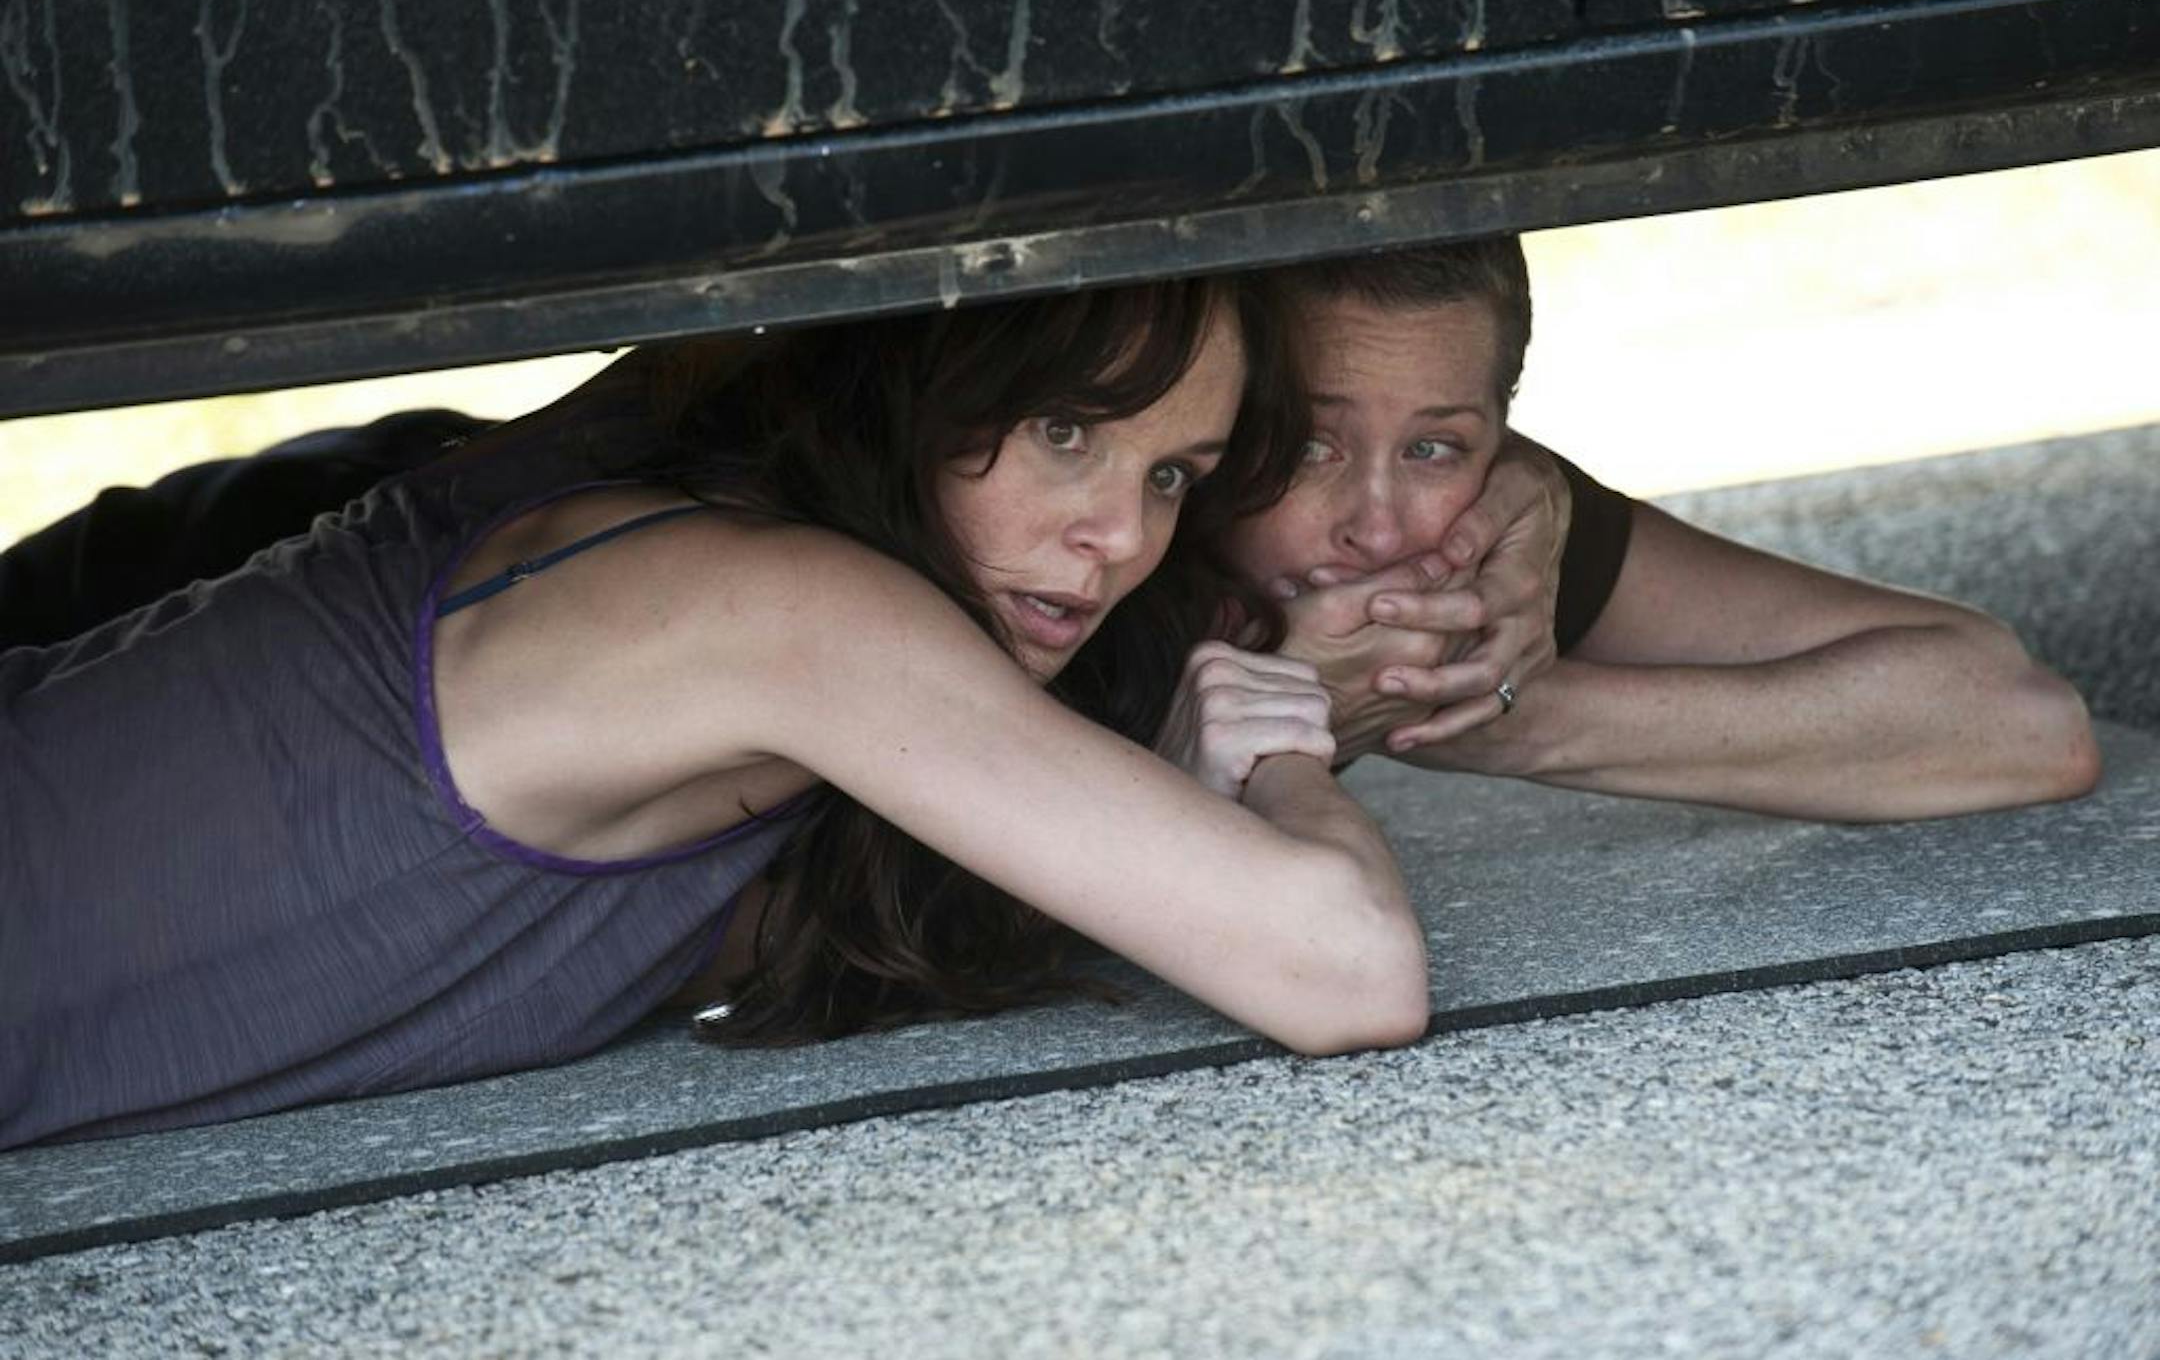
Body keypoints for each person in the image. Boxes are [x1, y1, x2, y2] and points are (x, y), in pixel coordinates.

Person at [1, 274, 1434, 1150]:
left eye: (1172, 474)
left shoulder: (741, 545)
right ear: (918, 387)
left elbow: (800, 937)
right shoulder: (772, 607)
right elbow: (1348, 972)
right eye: (1066, 433)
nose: (1117, 536)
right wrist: (1286, 760)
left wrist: (1158, 804)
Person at [1233, 238, 2101, 818]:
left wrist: (1515, 718)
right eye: (1309, 445)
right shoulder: (1104, 564)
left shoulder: (1490, 537)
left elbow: (2021, 723)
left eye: (1434, 447)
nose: (1379, 532)